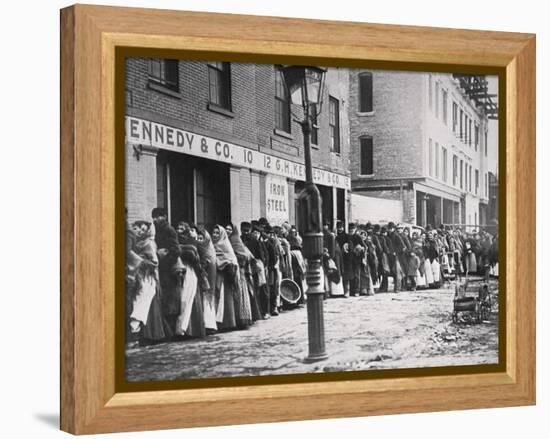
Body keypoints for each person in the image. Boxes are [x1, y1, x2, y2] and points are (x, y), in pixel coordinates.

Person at [129, 221, 167, 344]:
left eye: (141, 229)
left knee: (143, 303)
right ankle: (141, 334)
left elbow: (154, 262)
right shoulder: (135, 243)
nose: (138, 232)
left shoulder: (149, 243)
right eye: (135, 229)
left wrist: (141, 261)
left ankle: (143, 333)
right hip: (137, 275)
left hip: (146, 277)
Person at [151, 207, 180, 335]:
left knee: (170, 299)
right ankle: (166, 330)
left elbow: (176, 250)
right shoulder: (155, 230)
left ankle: (171, 330)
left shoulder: (169, 230)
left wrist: (164, 259)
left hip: (168, 270)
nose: (156, 219)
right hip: (160, 269)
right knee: (164, 298)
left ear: (165, 217)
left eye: (158, 216)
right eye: (154, 217)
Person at [227, 223, 257, 326]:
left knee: (241, 295)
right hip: (231, 272)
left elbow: (244, 256)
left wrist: (233, 259)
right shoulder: (226, 241)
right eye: (226, 229)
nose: (227, 231)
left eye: (230, 229)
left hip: (240, 272)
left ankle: (243, 319)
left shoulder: (235, 240)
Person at [212, 225, 238, 331]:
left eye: (217, 233)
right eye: (213, 232)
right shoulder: (211, 244)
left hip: (224, 277)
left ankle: (227, 323)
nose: (215, 235)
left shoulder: (225, 245)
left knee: (225, 300)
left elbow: (230, 259)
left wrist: (220, 262)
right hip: (215, 275)